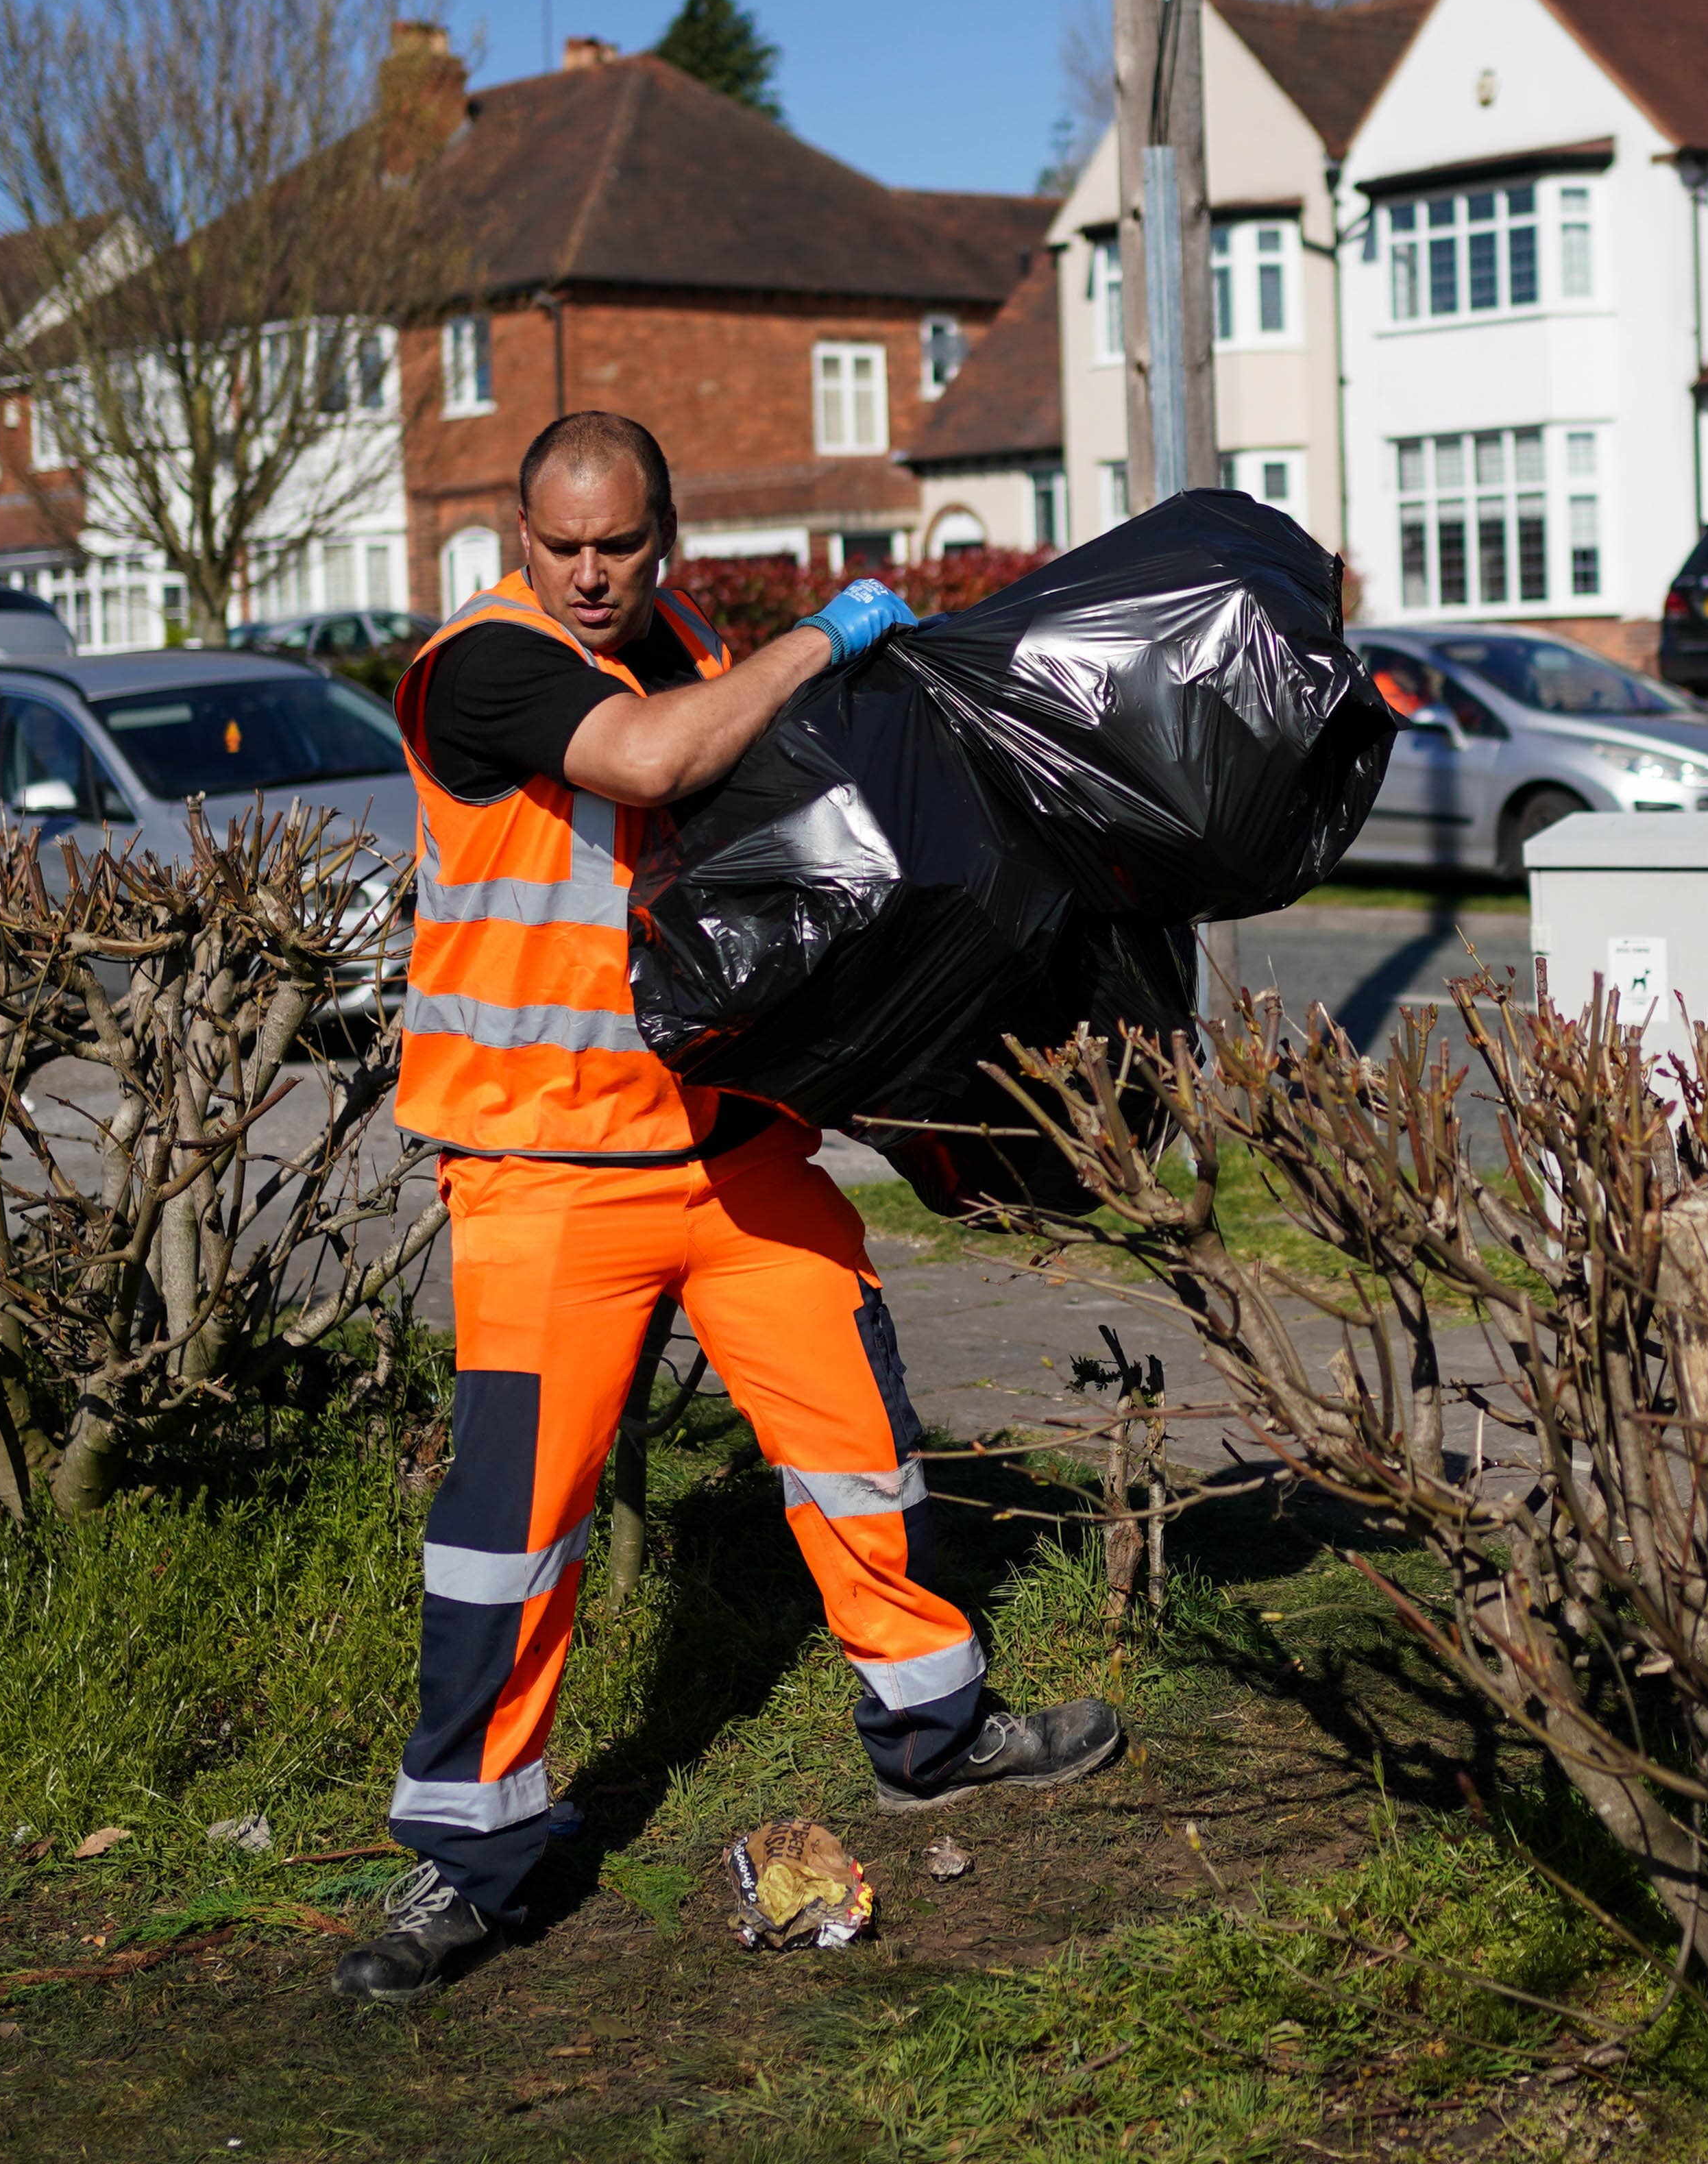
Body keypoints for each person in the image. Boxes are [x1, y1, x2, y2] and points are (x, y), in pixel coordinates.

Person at [339, 409, 1123, 2005]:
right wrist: (823, 638)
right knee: (515, 1527)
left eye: (616, 543)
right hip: (546, 1170)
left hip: (726, 1149)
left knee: (856, 1432)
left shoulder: (687, 638)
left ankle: (934, 1726)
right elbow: (651, 760)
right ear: (520, 534)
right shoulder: (480, 666)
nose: (586, 572)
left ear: (665, 536)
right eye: (559, 542)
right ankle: (469, 1855)